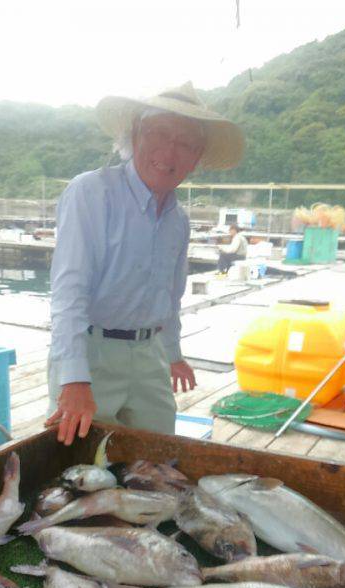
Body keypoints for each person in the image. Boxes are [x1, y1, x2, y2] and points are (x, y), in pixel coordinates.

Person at [46, 82, 244, 445]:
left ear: (197, 158)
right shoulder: (92, 192)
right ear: (135, 135)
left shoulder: (177, 220)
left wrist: (173, 354)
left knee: (157, 460)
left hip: (149, 354)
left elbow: (170, 296)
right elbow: (68, 291)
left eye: (186, 143)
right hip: (93, 351)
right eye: (160, 133)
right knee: (82, 466)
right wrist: (73, 379)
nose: (170, 152)